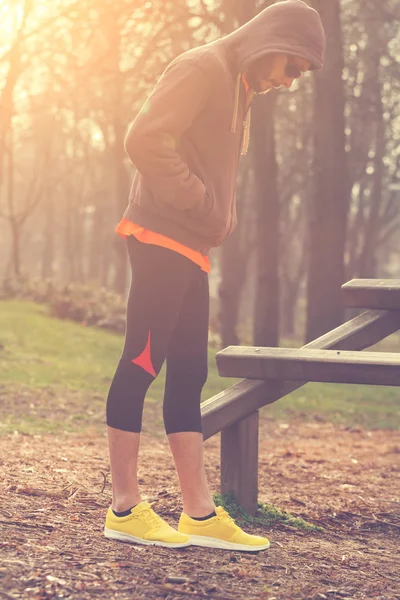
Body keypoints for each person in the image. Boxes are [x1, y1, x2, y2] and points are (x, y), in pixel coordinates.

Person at [104, 0, 325, 552]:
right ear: (272, 42)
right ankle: (125, 507)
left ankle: (199, 514)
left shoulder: (239, 85)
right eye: (292, 68)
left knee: (189, 374)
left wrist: (207, 219)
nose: (290, 82)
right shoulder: (202, 67)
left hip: (190, 247)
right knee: (142, 360)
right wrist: (197, 201)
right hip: (160, 236)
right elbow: (144, 138)